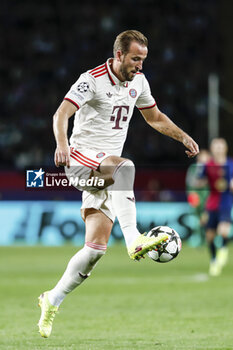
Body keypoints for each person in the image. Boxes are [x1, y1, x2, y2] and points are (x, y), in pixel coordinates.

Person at [38, 30, 199, 338]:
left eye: (143, 60)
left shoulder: (139, 82)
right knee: (126, 167)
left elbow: (155, 118)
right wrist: (61, 145)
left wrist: (183, 136)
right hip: (80, 161)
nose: (139, 65)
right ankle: (134, 239)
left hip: (105, 172)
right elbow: (62, 114)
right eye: (135, 59)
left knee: (95, 249)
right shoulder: (92, 79)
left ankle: (51, 299)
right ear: (120, 55)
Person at [197, 138, 233, 276]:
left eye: (220, 146)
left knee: (223, 231)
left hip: (226, 202)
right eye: (215, 146)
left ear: (225, 148)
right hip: (212, 202)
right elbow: (199, 183)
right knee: (210, 237)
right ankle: (213, 260)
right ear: (212, 149)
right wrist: (201, 166)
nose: (218, 149)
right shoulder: (208, 165)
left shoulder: (230, 164)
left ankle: (223, 251)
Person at [186, 149, 210, 240]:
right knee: (195, 218)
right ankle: (197, 236)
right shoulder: (193, 167)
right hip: (194, 196)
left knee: (207, 217)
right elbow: (190, 182)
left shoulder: (211, 168)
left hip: (207, 197)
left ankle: (208, 237)